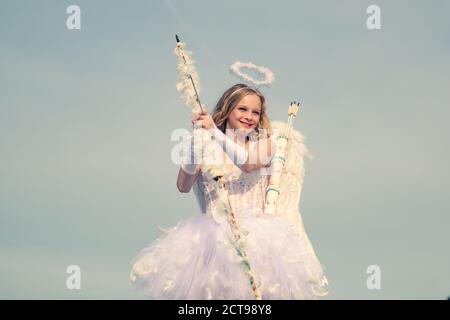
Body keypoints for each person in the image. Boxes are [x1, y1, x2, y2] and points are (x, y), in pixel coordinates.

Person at [129, 83, 328, 299]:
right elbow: (183, 185)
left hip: (256, 240)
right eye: (242, 109)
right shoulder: (209, 145)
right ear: (228, 109)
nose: (249, 116)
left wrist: (214, 132)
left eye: (256, 112)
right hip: (211, 241)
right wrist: (197, 143)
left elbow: (248, 163)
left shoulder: (268, 143)